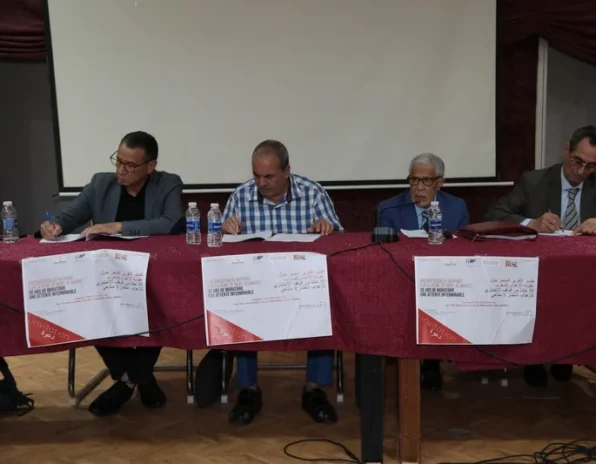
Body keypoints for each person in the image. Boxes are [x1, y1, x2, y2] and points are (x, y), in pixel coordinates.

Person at [484, 125, 596, 387]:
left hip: (584, 273)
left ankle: (567, 354)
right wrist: (531, 223)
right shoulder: (534, 181)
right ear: (566, 151)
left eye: (591, 166)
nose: (582, 171)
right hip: (541, 271)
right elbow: (494, 213)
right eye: (577, 161)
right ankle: (535, 359)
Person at [196, 139, 343, 426]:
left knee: (323, 305)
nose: (261, 183)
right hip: (257, 286)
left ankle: (314, 389)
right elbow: (222, 247)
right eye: (257, 175)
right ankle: (249, 390)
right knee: (239, 304)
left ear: (287, 171)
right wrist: (224, 229)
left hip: (301, 284)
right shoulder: (241, 196)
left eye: (269, 176)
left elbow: (338, 238)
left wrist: (327, 228)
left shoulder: (312, 193)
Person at [40, 131, 184, 414]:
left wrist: (117, 226)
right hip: (106, 276)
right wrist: (54, 225)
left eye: (130, 165)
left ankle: (126, 382)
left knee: (158, 307)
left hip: (151, 273)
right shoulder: (100, 183)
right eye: (118, 161)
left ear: (150, 166)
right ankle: (140, 378)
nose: (121, 170)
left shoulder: (168, 183)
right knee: (90, 308)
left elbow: (171, 222)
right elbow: (70, 215)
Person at [377, 153, 470, 390]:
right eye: (413, 180)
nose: (418, 188)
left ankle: (431, 361)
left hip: (445, 281)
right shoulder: (389, 208)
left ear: (440, 183)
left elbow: (464, 249)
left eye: (426, 181)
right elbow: (383, 257)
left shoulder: (456, 207)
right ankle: (409, 360)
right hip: (403, 280)